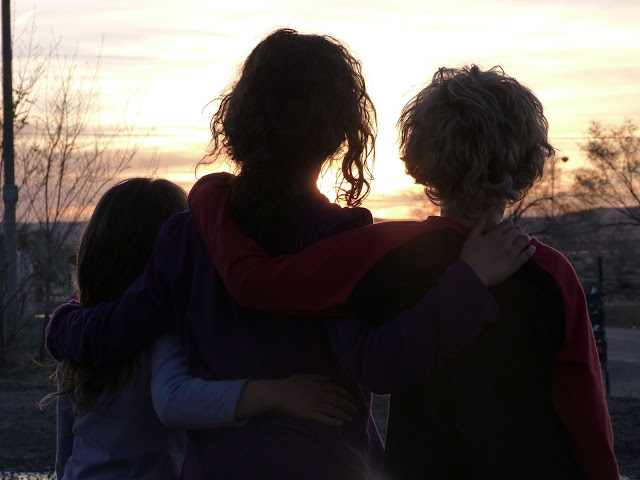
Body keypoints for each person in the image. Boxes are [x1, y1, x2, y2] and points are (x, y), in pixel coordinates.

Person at [45, 30, 532, 480]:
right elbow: (380, 363)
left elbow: (111, 331)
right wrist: (467, 283)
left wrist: (60, 323)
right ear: (341, 135)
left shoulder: (184, 237)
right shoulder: (342, 239)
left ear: (238, 118)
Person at [187, 66, 618, 480]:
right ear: (528, 159)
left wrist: (207, 194)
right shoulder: (550, 272)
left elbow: (255, 283)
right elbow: (585, 415)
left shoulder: (376, 252)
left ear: (423, 153)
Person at [46, 177, 357, 480]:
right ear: (175, 254)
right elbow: (173, 401)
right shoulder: (162, 332)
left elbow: (65, 451)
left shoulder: (78, 338)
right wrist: (279, 393)